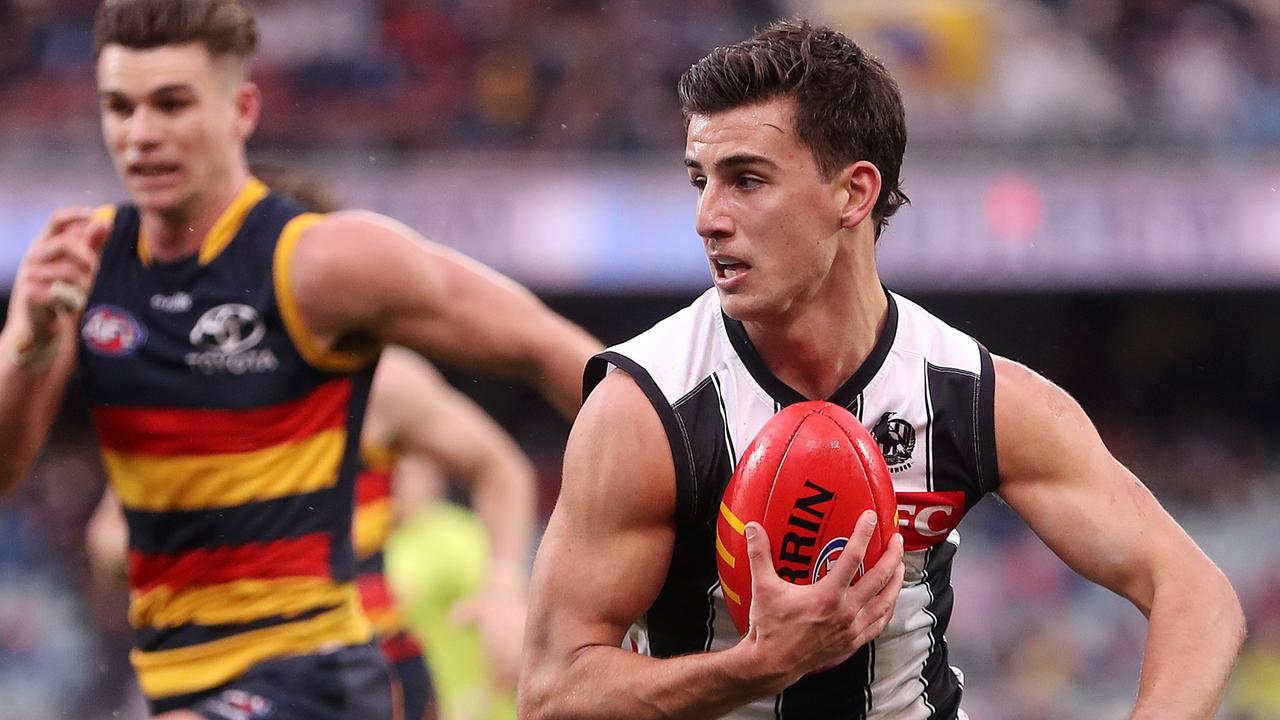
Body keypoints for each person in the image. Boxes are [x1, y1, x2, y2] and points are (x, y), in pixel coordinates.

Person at [519, 20, 1245, 720]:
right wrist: (755, 667)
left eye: (746, 180)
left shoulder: (975, 396)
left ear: (854, 193)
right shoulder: (644, 409)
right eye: (699, 180)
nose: (708, 216)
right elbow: (552, 692)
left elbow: (1195, 593)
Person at [0, 1, 599, 719]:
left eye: (172, 104)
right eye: (119, 108)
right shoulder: (81, 263)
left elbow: (551, 348)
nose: (142, 135)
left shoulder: (319, 261)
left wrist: (656, 522)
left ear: (241, 110)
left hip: (315, 675)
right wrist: (31, 341)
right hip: (175, 680)